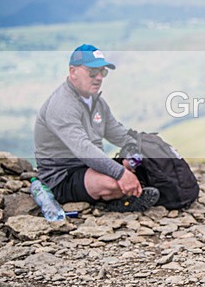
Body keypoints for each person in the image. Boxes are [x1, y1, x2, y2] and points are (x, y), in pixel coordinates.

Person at [34, 44, 160, 212]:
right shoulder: (61, 106)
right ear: (73, 72)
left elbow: (118, 133)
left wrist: (136, 152)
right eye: (92, 72)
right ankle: (118, 201)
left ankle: (127, 191)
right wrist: (121, 174)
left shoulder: (97, 102)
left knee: (137, 167)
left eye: (103, 72)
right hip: (62, 176)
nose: (99, 77)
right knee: (113, 183)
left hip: (89, 166)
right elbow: (83, 149)